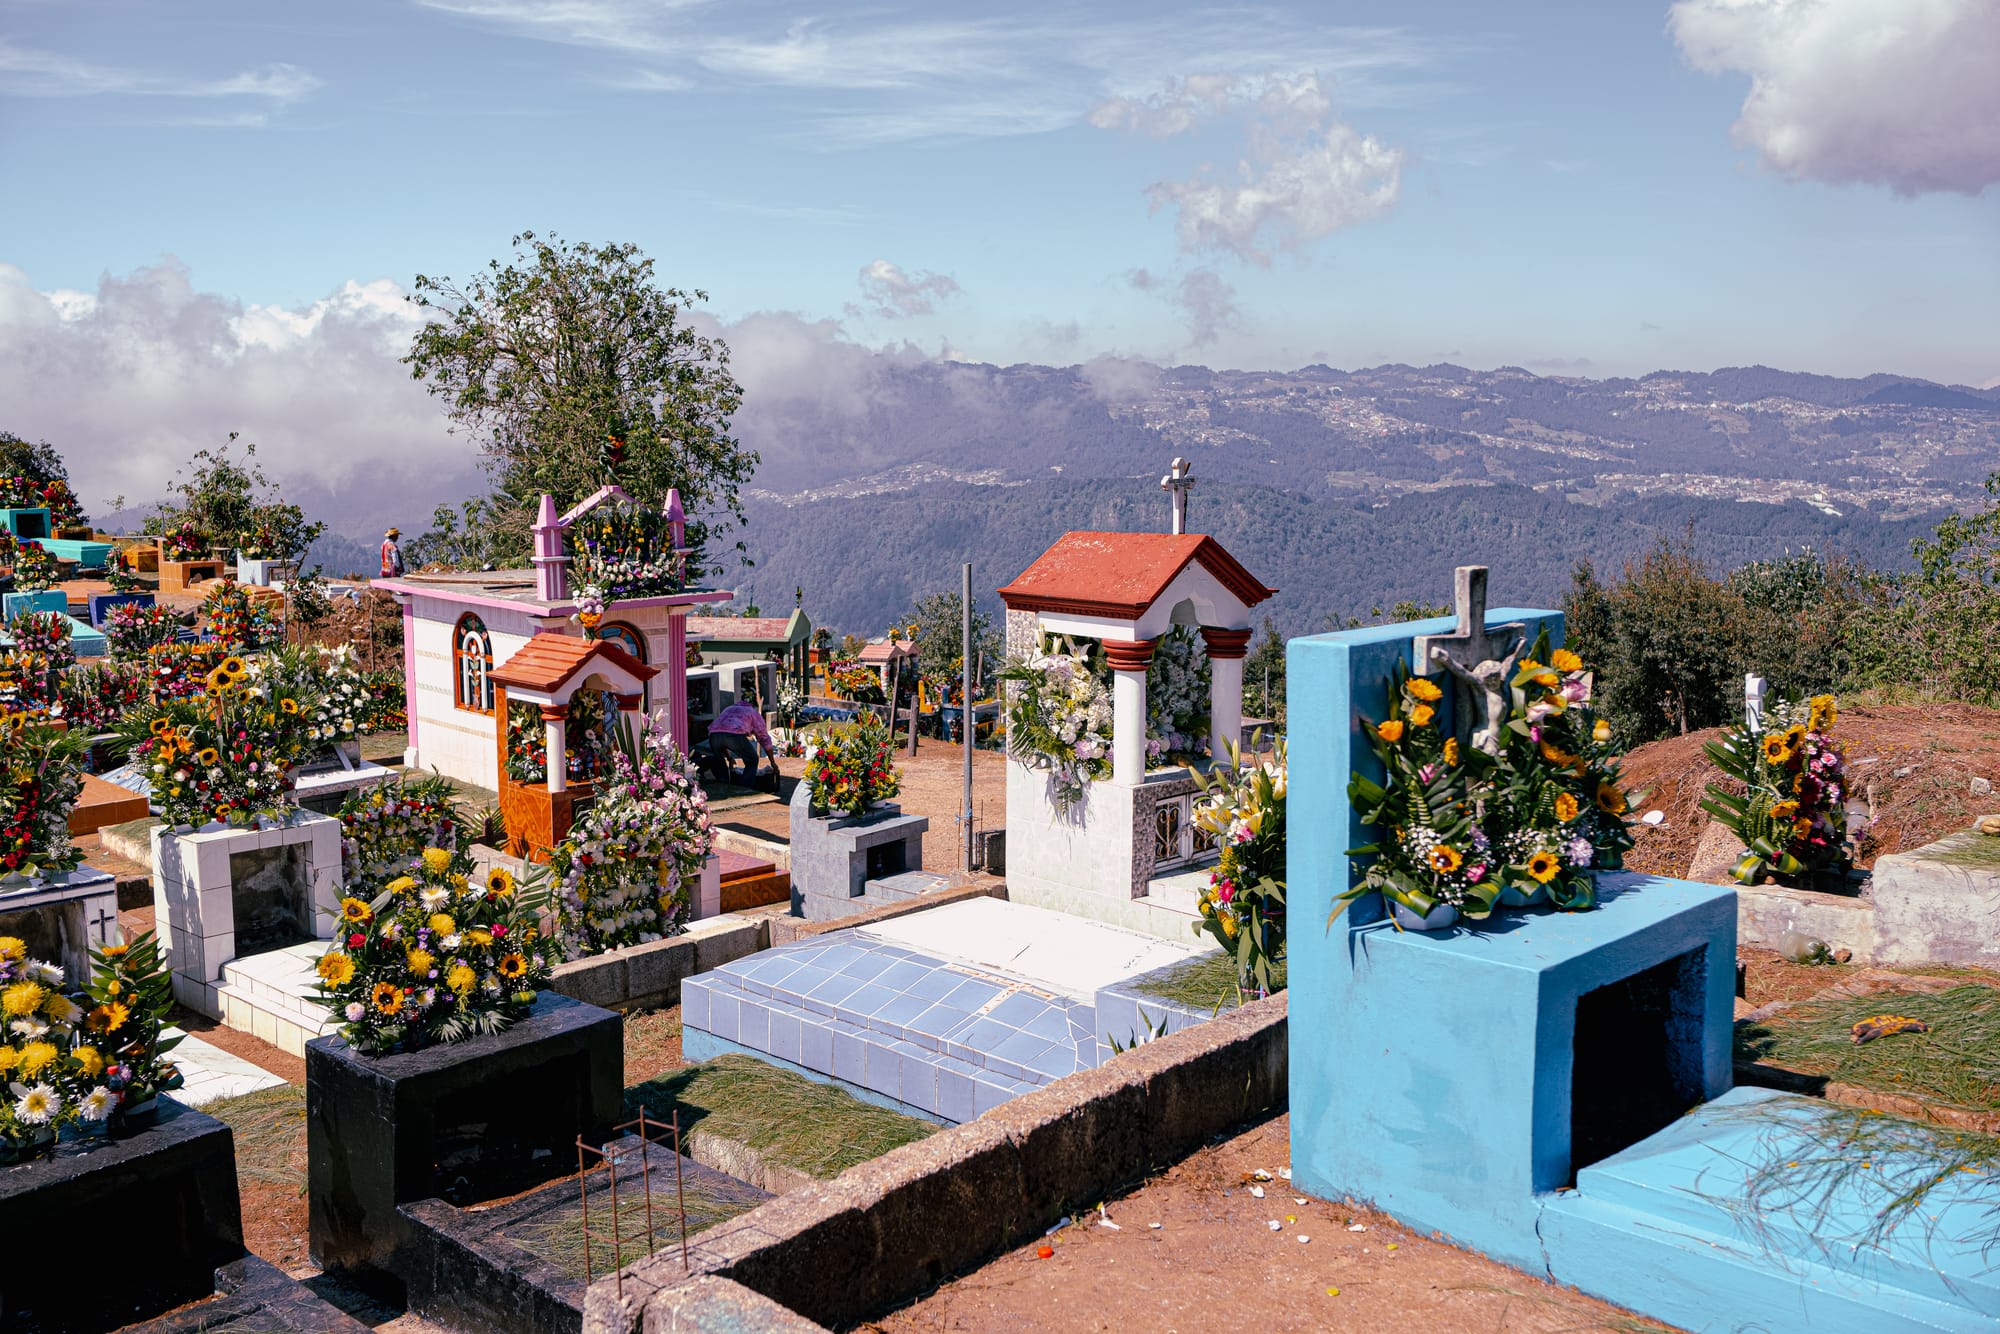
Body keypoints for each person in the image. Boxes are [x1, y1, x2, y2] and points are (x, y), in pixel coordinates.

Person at [707, 699, 775, 784]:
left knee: (719, 760)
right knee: (752, 759)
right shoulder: (752, 712)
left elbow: (722, 734)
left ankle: (724, 784)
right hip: (735, 735)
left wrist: (729, 758)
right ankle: (746, 788)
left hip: (713, 735)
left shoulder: (728, 709)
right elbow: (764, 738)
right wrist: (772, 762)